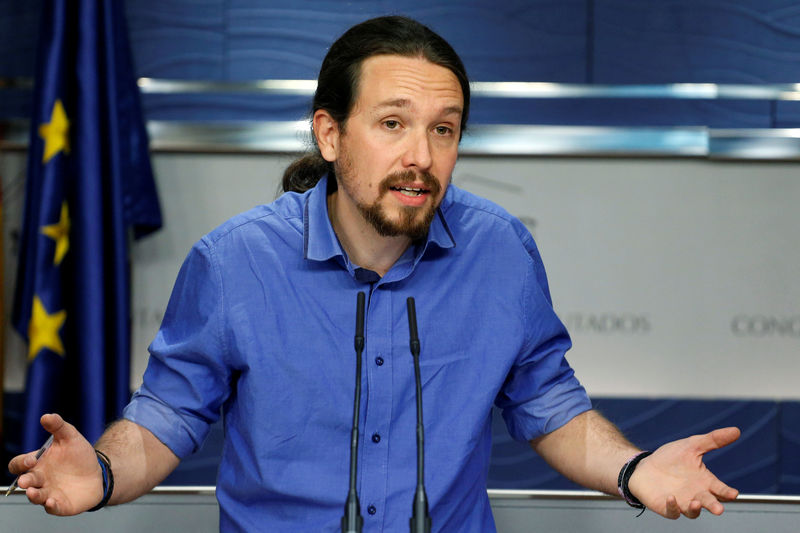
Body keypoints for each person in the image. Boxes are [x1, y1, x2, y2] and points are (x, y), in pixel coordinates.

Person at [9, 15, 740, 532]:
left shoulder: (501, 252)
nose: (420, 153)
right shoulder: (235, 263)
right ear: (330, 133)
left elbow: (548, 403)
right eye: (392, 123)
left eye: (443, 128)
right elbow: (167, 417)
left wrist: (633, 468)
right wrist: (100, 472)